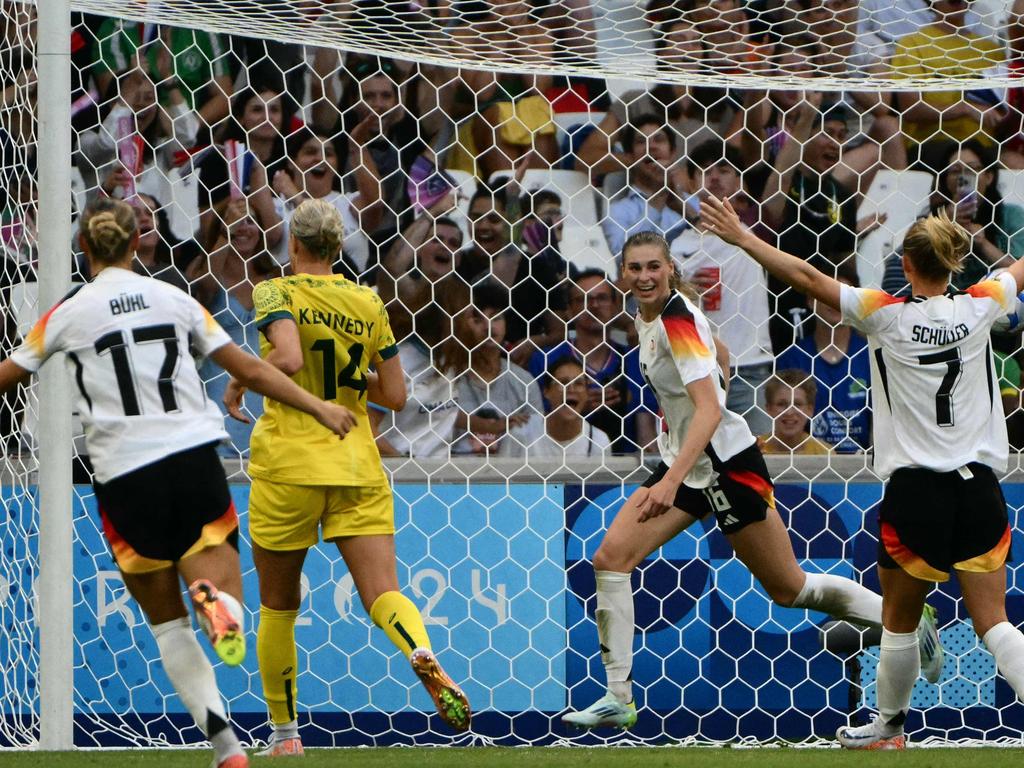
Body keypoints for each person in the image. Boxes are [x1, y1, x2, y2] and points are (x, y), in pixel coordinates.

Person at [0, 197, 357, 768]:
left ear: (85, 248)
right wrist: (318, 407)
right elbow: (251, 367)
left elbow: (11, 373)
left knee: (167, 626)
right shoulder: (176, 299)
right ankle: (221, 613)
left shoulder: (67, 312)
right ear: (140, 241)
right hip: (191, 461)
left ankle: (226, 749)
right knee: (220, 604)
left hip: (122, 477)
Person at [561, 231, 943, 731]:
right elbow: (718, 353)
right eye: (634, 269)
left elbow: (710, 409)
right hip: (689, 461)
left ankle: (912, 619)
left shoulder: (676, 320)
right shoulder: (651, 317)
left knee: (789, 589)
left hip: (723, 465)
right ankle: (618, 697)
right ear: (623, 276)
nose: (644, 276)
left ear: (670, 269)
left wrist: (671, 479)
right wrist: (686, 439)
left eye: (653, 266)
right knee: (611, 559)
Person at [702, 195, 1024, 750]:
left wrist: (743, 238)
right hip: (979, 487)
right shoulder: (982, 304)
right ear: (951, 264)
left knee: (900, 620)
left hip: (916, 490)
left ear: (905, 262)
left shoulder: (883, 313)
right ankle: (891, 730)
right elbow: (1017, 270)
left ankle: (890, 731)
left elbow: (805, 275)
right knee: (993, 622)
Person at [224, 199, 470, 756]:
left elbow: (285, 359)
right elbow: (397, 396)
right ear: (338, 250)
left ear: (294, 245)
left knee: (279, 607)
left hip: (290, 465)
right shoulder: (367, 301)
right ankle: (418, 652)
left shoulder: (276, 291)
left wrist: (242, 376)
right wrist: (349, 378)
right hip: (357, 460)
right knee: (384, 593)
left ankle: (286, 738)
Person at [758, 371, 831, 455]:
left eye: (797, 404)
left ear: (810, 410)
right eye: (781, 404)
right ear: (769, 409)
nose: (789, 412)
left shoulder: (824, 452)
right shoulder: (755, 451)